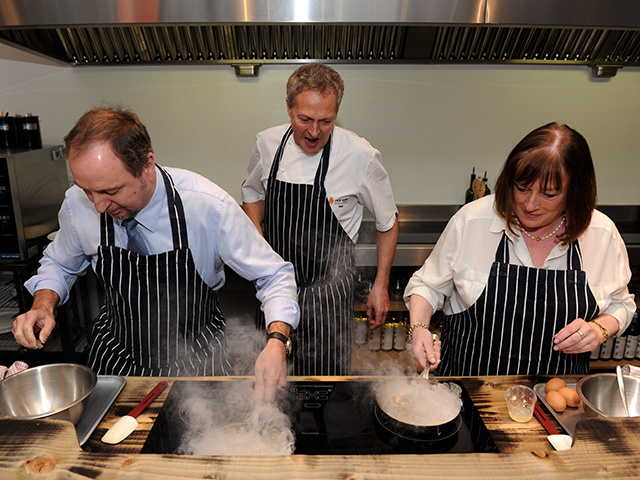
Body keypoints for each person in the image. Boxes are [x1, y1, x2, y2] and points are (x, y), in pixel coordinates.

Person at [12, 106, 299, 401]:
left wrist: (277, 342)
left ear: (146, 165)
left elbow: (274, 275)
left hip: (198, 365)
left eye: (111, 190)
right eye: (87, 190)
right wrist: (43, 305)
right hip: (115, 363)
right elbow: (59, 265)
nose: (98, 205)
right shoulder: (77, 205)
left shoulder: (207, 207)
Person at [404, 122, 635, 376]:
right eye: (522, 188)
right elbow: (427, 286)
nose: (530, 204)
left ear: (574, 192)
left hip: (553, 405)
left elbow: (621, 306)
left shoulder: (601, 235)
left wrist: (599, 330)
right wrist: (418, 329)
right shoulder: (473, 221)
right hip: (465, 392)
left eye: (548, 194)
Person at [242, 64, 398, 375]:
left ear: (336, 113)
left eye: (325, 121)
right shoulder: (267, 143)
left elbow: (388, 222)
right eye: (305, 120)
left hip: (329, 295)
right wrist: (258, 241)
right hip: (275, 290)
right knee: (273, 384)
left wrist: (380, 285)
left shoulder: (360, 155)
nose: (314, 132)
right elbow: (251, 193)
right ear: (288, 107)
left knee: (327, 391)